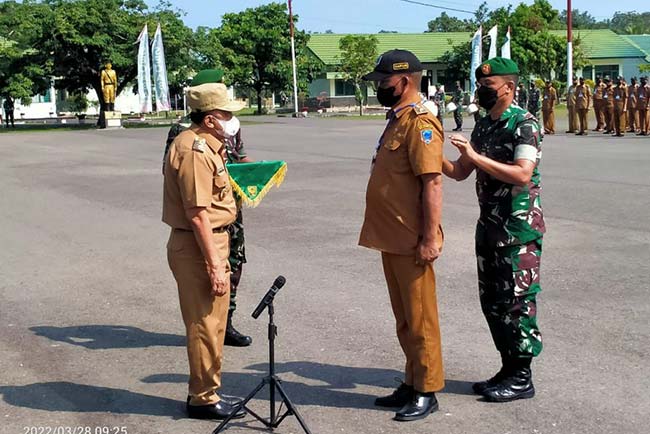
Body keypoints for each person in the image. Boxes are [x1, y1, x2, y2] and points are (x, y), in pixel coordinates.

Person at [442, 57, 545, 403]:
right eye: (480, 86)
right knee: (493, 303)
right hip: (489, 226)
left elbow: (521, 174)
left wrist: (474, 154)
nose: (481, 92)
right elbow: (459, 171)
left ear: (509, 88)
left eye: (487, 87)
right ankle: (507, 367)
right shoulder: (484, 125)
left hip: (518, 230)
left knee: (516, 302)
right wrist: (428, 154)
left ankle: (521, 375)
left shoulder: (525, 124)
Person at [359, 49, 445, 422]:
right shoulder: (396, 120)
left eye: (384, 82)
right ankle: (411, 381)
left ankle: (427, 389)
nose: (380, 87)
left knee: (421, 317)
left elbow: (433, 183)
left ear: (405, 81)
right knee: (405, 319)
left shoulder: (421, 123)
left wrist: (429, 237)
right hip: (391, 236)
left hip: (412, 239)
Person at [162, 81, 247, 420]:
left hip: (212, 240)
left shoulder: (209, 146)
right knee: (205, 325)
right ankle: (203, 399)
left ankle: (208, 391)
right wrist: (215, 266)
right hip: (201, 244)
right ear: (210, 118)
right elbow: (197, 214)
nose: (232, 119)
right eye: (227, 113)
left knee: (214, 324)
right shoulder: (194, 150)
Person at [165, 69, 253, 347]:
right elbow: (190, 196)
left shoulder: (226, 125)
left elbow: (239, 156)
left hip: (228, 211)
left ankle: (225, 323)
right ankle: (204, 388)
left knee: (234, 266)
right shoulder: (188, 138)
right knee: (205, 315)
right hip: (204, 217)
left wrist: (254, 171)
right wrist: (214, 265)